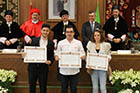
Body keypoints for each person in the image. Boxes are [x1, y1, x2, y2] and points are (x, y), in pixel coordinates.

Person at [23, 24, 54, 93]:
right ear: (41, 31)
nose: (45, 32)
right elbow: (27, 51)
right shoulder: (33, 40)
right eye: (44, 30)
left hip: (43, 68)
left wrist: (50, 61)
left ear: (49, 32)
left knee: (43, 87)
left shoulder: (51, 43)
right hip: (32, 68)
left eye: (47, 31)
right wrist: (24, 55)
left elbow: (52, 56)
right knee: (32, 86)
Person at [55, 25, 85, 93]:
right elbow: (57, 54)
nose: (69, 33)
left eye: (71, 32)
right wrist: (56, 57)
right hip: (63, 71)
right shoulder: (61, 43)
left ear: (74, 33)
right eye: (67, 32)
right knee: (63, 89)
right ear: (65, 33)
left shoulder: (78, 43)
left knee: (74, 89)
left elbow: (83, 53)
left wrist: (83, 56)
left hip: (74, 71)